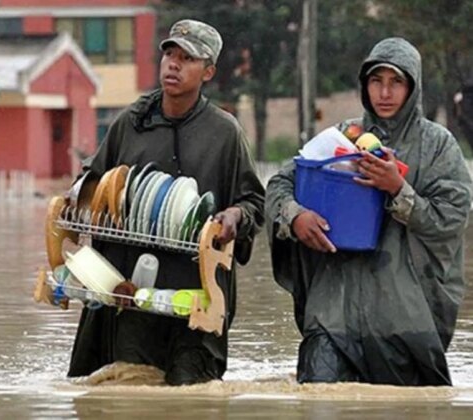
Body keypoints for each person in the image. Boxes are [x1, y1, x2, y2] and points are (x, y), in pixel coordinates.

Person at [67, 20, 265, 385]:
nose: (173, 64)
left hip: (195, 295)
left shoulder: (225, 133)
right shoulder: (131, 122)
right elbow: (89, 187)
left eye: (187, 58)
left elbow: (253, 201)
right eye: (170, 55)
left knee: (190, 390)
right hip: (130, 295)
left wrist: (235, 216)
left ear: (208, 71)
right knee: (127, 385)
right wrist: (80, 200)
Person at [265, 37, 473, 386]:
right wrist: (295, 216)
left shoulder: (437, 146)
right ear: (365, 86)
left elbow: (451, 217)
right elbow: (280, 184)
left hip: (403, 323)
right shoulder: (345, 137)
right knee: (318, 401)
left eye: (396, 82)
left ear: (413, 87)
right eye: (376, 81)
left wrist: (398, 189)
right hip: (332, 316)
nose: (385, 92)